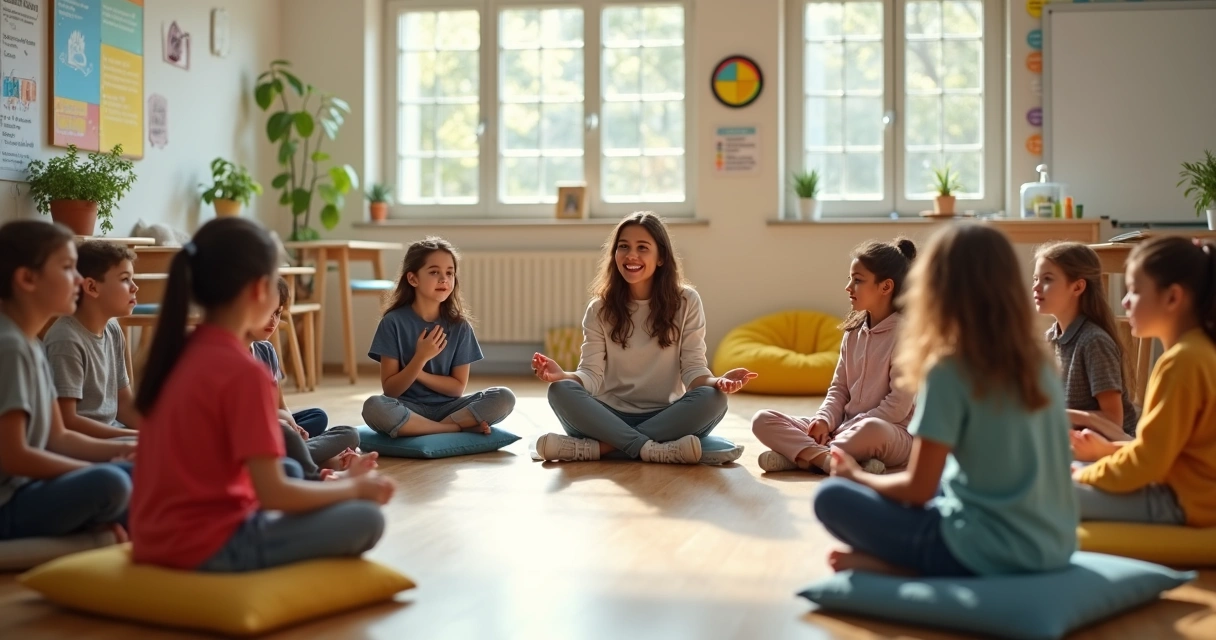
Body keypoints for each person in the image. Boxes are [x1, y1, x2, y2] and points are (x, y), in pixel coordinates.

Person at [130, 218, 393, 572]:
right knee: (366, 519)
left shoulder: (171, 353)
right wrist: (353, 490)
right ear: (258, 290)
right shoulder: (243, 371)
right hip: (209, 547)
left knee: (286, 466)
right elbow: (273, 494)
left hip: (150, 538)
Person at [813, 224, 1077, 577]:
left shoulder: (949, 368)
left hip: (983, 551)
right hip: (1056, 545)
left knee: (830, 498)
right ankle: (891, 561)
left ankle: (898, 566)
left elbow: (917, 489)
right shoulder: (1039, 361)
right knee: (945, 484)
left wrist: (855, 476)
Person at [532, 212, 755, 464]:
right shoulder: (599, 309)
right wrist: (563, 376)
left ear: (660, 257)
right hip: (608, 417)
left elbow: (693, 369)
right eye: (623, 247)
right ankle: (654, 449)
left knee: (713, 398)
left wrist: (718, 382)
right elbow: (591, 375)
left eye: (642, 248)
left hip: (667, 415)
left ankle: (601, 449)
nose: (631, 255)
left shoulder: (687, 302)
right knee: (560, 391)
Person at [0, 221, 135, 542]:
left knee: (136, 470)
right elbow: (13, 456)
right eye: (67, 268)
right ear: (27, 279)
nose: (78, 279)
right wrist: (95, 469)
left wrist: (127, 449)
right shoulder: (9, 346)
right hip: (9, 500)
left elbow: (57, 437)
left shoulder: (29, 342)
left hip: (32, 486)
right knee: (112, 483)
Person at [1073, 237, 1216, 526]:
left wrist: (1084, 474)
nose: (1124, 302)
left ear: (1173, 298)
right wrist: (1106, 451)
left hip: (1182, 501)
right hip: (1196, 495)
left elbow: (1148, 464)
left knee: (1039, 494)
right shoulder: (1199, 350)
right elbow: (1170, 450)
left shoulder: (1183, 361)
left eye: (1134, 291)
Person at [753, 239, 917, 474]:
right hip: (842, 430)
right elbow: (839, 389)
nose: (848, 287)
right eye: (850, 279)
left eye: (858, 280)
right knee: (762, 419)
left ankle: (802, 457)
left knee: (870, 430)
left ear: (885, 286)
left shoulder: (907, 335)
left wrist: (847, 427)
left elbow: (897, 407)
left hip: (890, 434)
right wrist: (823, 421)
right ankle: (832, 461)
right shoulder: (852, 333)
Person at [362, 237, 516, 439]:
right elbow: (391, 390)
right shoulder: (392, 323)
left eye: (449, 273)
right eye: (434, 272)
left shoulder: (460, 326)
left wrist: (419, 371)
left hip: (450, 408)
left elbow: (456, 389)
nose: (444, 279)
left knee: (504, 397)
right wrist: (420, 358)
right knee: (374, 406)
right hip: (407, 407)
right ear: (413, 279)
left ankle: (424, 428)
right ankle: (452, 429)